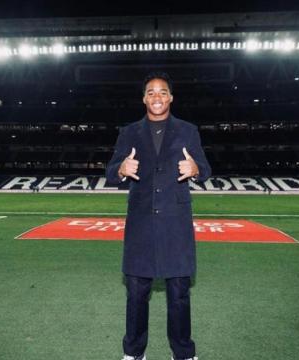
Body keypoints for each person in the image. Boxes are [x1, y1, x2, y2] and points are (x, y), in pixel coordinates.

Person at [106, 71, 211, 360]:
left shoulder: (188, 131)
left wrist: (196, 171)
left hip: (175, 224)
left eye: (162, 92)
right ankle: (133, 353)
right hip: (141, 224)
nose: (157, 97)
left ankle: (184, 353)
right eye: (151, 92)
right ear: (144, 98)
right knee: (137, 295)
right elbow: (110, 172)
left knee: (179, 295)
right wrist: (120, 170)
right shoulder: (129, 132)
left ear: (171, 97)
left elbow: (205, 168)